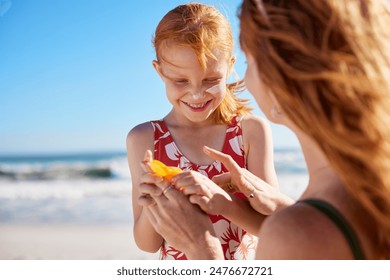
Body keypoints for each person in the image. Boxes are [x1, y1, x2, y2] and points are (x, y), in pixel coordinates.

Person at [138, 0, 390, 259]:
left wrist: (202, 248)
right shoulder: (366, 190)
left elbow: (302, 236)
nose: (244, 78)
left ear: (280, 76)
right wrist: (281, 208)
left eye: (251, 60)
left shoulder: (296, 234)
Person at [126, 3, 280, 260]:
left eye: (211, 80)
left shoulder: (250, 131)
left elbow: (272, 227)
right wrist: (152, 201)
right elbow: (147, 244)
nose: (197, 94)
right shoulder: (145, 139)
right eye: (181, 81)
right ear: (159, 71)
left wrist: (221, 203)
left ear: (229, 67)